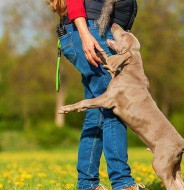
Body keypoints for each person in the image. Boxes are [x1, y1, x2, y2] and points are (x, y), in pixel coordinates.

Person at [49, 0, 141, 190]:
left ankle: (88, 184)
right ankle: (123, 183)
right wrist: (85, 35)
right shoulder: (88, 31)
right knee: (115, 107)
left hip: (92, 31)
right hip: (90, 32)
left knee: (97, 115)